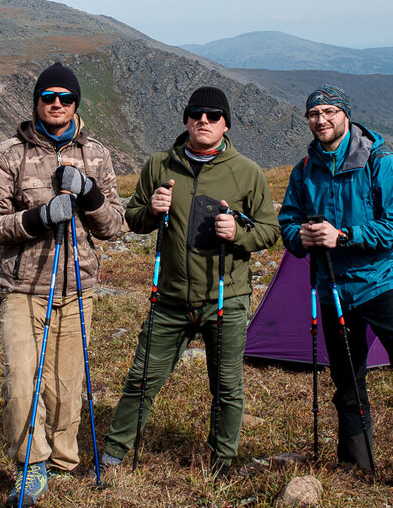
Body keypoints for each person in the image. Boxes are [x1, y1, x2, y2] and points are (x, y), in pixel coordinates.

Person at [277, 85, 393, 508]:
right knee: (347, 382)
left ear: (346, 115)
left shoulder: (382, 163)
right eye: (314, 113)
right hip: (333, 289)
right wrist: (299, 235)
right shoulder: (304, 170)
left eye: (330, 111)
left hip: (383, 284)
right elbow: (287, 222)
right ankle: (357, 466)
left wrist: (344, 235)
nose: (322, 120)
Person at [99, 86, 280, 475]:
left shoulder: (246, 172)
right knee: (142, 377)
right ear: (185, 119)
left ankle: (222, 462)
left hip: (226, 298)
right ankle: (114, 453)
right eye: (196, 113)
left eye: (213, 115)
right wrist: (150, 209)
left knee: (227, 387)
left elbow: (268, 231)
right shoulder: (160, 164)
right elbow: (132, 218)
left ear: (226, 124)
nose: (204, 120)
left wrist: (238, 234)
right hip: (169, 298)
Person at [0, 63, 127, 508]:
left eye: (65, 97)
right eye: (48, 97)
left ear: (76, 103)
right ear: (37, 103)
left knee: (67, 385)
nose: (57, 104)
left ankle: (63, 457)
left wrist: (90, 195)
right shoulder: (10, 153)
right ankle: (32, 463)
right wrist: (37, 218)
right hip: (24, 288)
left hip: (77, 287)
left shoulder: (97, 155)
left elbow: (115, 227)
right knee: (23, 381)